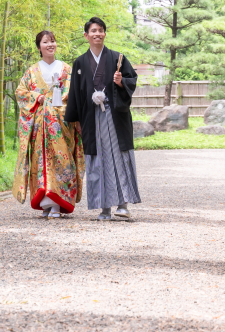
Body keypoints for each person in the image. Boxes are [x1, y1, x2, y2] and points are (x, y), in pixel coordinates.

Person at [64, 17, 141, 221]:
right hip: (92, 117)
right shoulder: (80, 62)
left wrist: (121, 81)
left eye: (101, 30)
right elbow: (75, 94)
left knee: (118, 157)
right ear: (86, 35)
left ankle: (123, 204)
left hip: (114, 115)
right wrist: (76, 120)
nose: (97, 34)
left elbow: (132, 80)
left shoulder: (117, 58)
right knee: (98, 160)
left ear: (105, 34)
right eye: (93, 30)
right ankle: (104, 207)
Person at [13, 30, 84, 219]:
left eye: (53, 41)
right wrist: (39, 97)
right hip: (39, 125)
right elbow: (21, 93)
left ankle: (59, 203)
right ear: (39, 47)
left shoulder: (67, 69)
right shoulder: (31, 71)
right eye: (46, 42)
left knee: (63, 160)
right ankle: (45, 202)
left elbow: (76, 92)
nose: (50, 45)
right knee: (41, 160)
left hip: (62, 123)